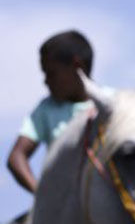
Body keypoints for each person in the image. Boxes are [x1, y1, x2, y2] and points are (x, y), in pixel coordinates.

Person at [6, 30, 97, 194]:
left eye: (51, 73)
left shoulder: (113, 106)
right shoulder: (47, 109)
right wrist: (43, 197)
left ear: (77, 66)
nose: (46, 81)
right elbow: (16, 156)